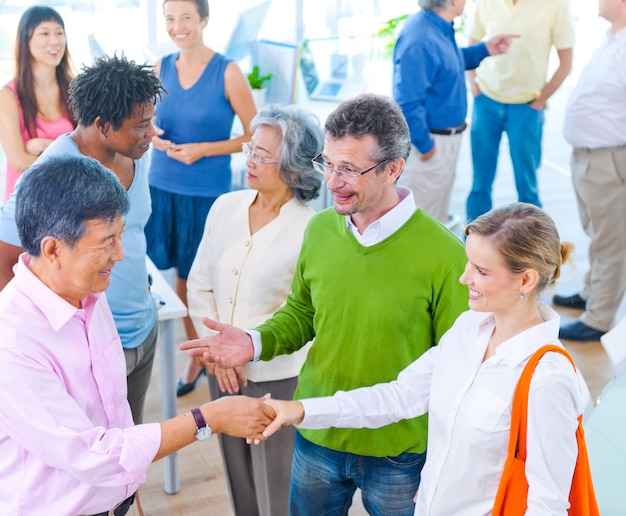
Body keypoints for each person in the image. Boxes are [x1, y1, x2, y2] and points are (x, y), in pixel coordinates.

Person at [182, 93, 469, 515]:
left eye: (349, 169)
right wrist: (253, 343)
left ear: (393, 168)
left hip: (397, 450)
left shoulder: (446, 255)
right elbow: (302, 313)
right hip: (317, 433)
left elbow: (454, 369)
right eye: (329, 165)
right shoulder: (320, 229)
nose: (333, 182)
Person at [264, 202, 589, 516]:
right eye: (468, 263)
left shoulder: (548, 380)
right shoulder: (468, 329)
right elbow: (400, 396)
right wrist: (301, 410)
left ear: (526, 280)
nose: (464, 278)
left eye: (481, 271)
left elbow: (547, 505)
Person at [0, 154, 273, 515]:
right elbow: (93, 456)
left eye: (121, 235)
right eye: (107, 240)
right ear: (53, 250)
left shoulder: (90, 296)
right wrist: (210, 418)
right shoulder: (14, 343)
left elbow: (112, 411)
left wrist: (126, 495)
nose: (121, 253)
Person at [0, 54, 164, 425]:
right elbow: (4, 258)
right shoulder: (51, 173)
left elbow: (133, 235)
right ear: (103, 125)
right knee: (97, 465)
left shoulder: (135, 153)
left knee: (131, 457)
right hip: (87, 349)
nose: (151, 132)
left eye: (150, 121)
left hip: (142, 327)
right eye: (141, 125)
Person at [187, 105, 323, 516]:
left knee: (276, 488)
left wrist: (243, 350)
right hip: (221, 371)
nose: (250, 160)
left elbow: (304, 312)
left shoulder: (312, 228)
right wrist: (218, 354)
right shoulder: (226, 206)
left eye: (263, 155)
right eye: (251, 148)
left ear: (294, 166)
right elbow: (199, 282)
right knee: (238, 478)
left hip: (277, 379)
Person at [144, 0, 257, 397]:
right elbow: (149, 121)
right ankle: (196, 353)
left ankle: (205, 355)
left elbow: (254, 134)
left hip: (205, 195)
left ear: (204, 20)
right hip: (162, 185)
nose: (177, 26)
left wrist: (202, 150)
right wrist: (152, 134)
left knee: (198, 281)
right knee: (172, 280)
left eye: (186, 17)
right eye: (170, 19)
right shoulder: (161, 67)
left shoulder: (227, 71)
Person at [393, 0, 517, 224]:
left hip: (443, 140)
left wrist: (485, 49)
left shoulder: (438, 26)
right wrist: (426, 145)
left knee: (436, 213)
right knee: (420, 219)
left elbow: (449, 61)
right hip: (430, 142)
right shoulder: (420, 38)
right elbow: (407, 102)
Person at [554, 0, 626, 341]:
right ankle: (590, 293)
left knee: (612, 241)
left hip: (609, 160)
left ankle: (599, 317)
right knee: (597, 232)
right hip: (589, 157)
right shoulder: (613, 37)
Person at [465, 0, 575, 221]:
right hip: (486, 102)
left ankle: (533, 248)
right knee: (480, 183)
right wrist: (474, 88)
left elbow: (566, 62)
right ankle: (472, 245)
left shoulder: (555, 5)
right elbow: (471, 46)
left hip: (527, 108)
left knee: (527, 187)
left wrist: (540, 100)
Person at [0, 5, 75, 201]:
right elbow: (18, 161)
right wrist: (70, 156)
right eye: (44, 33)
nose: (55, 41)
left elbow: (89, 146)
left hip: (69, 199)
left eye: (60, 33)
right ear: (26, 40)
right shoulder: (8, 96)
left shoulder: (73, 88)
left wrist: (43, 145)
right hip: (28, 201)